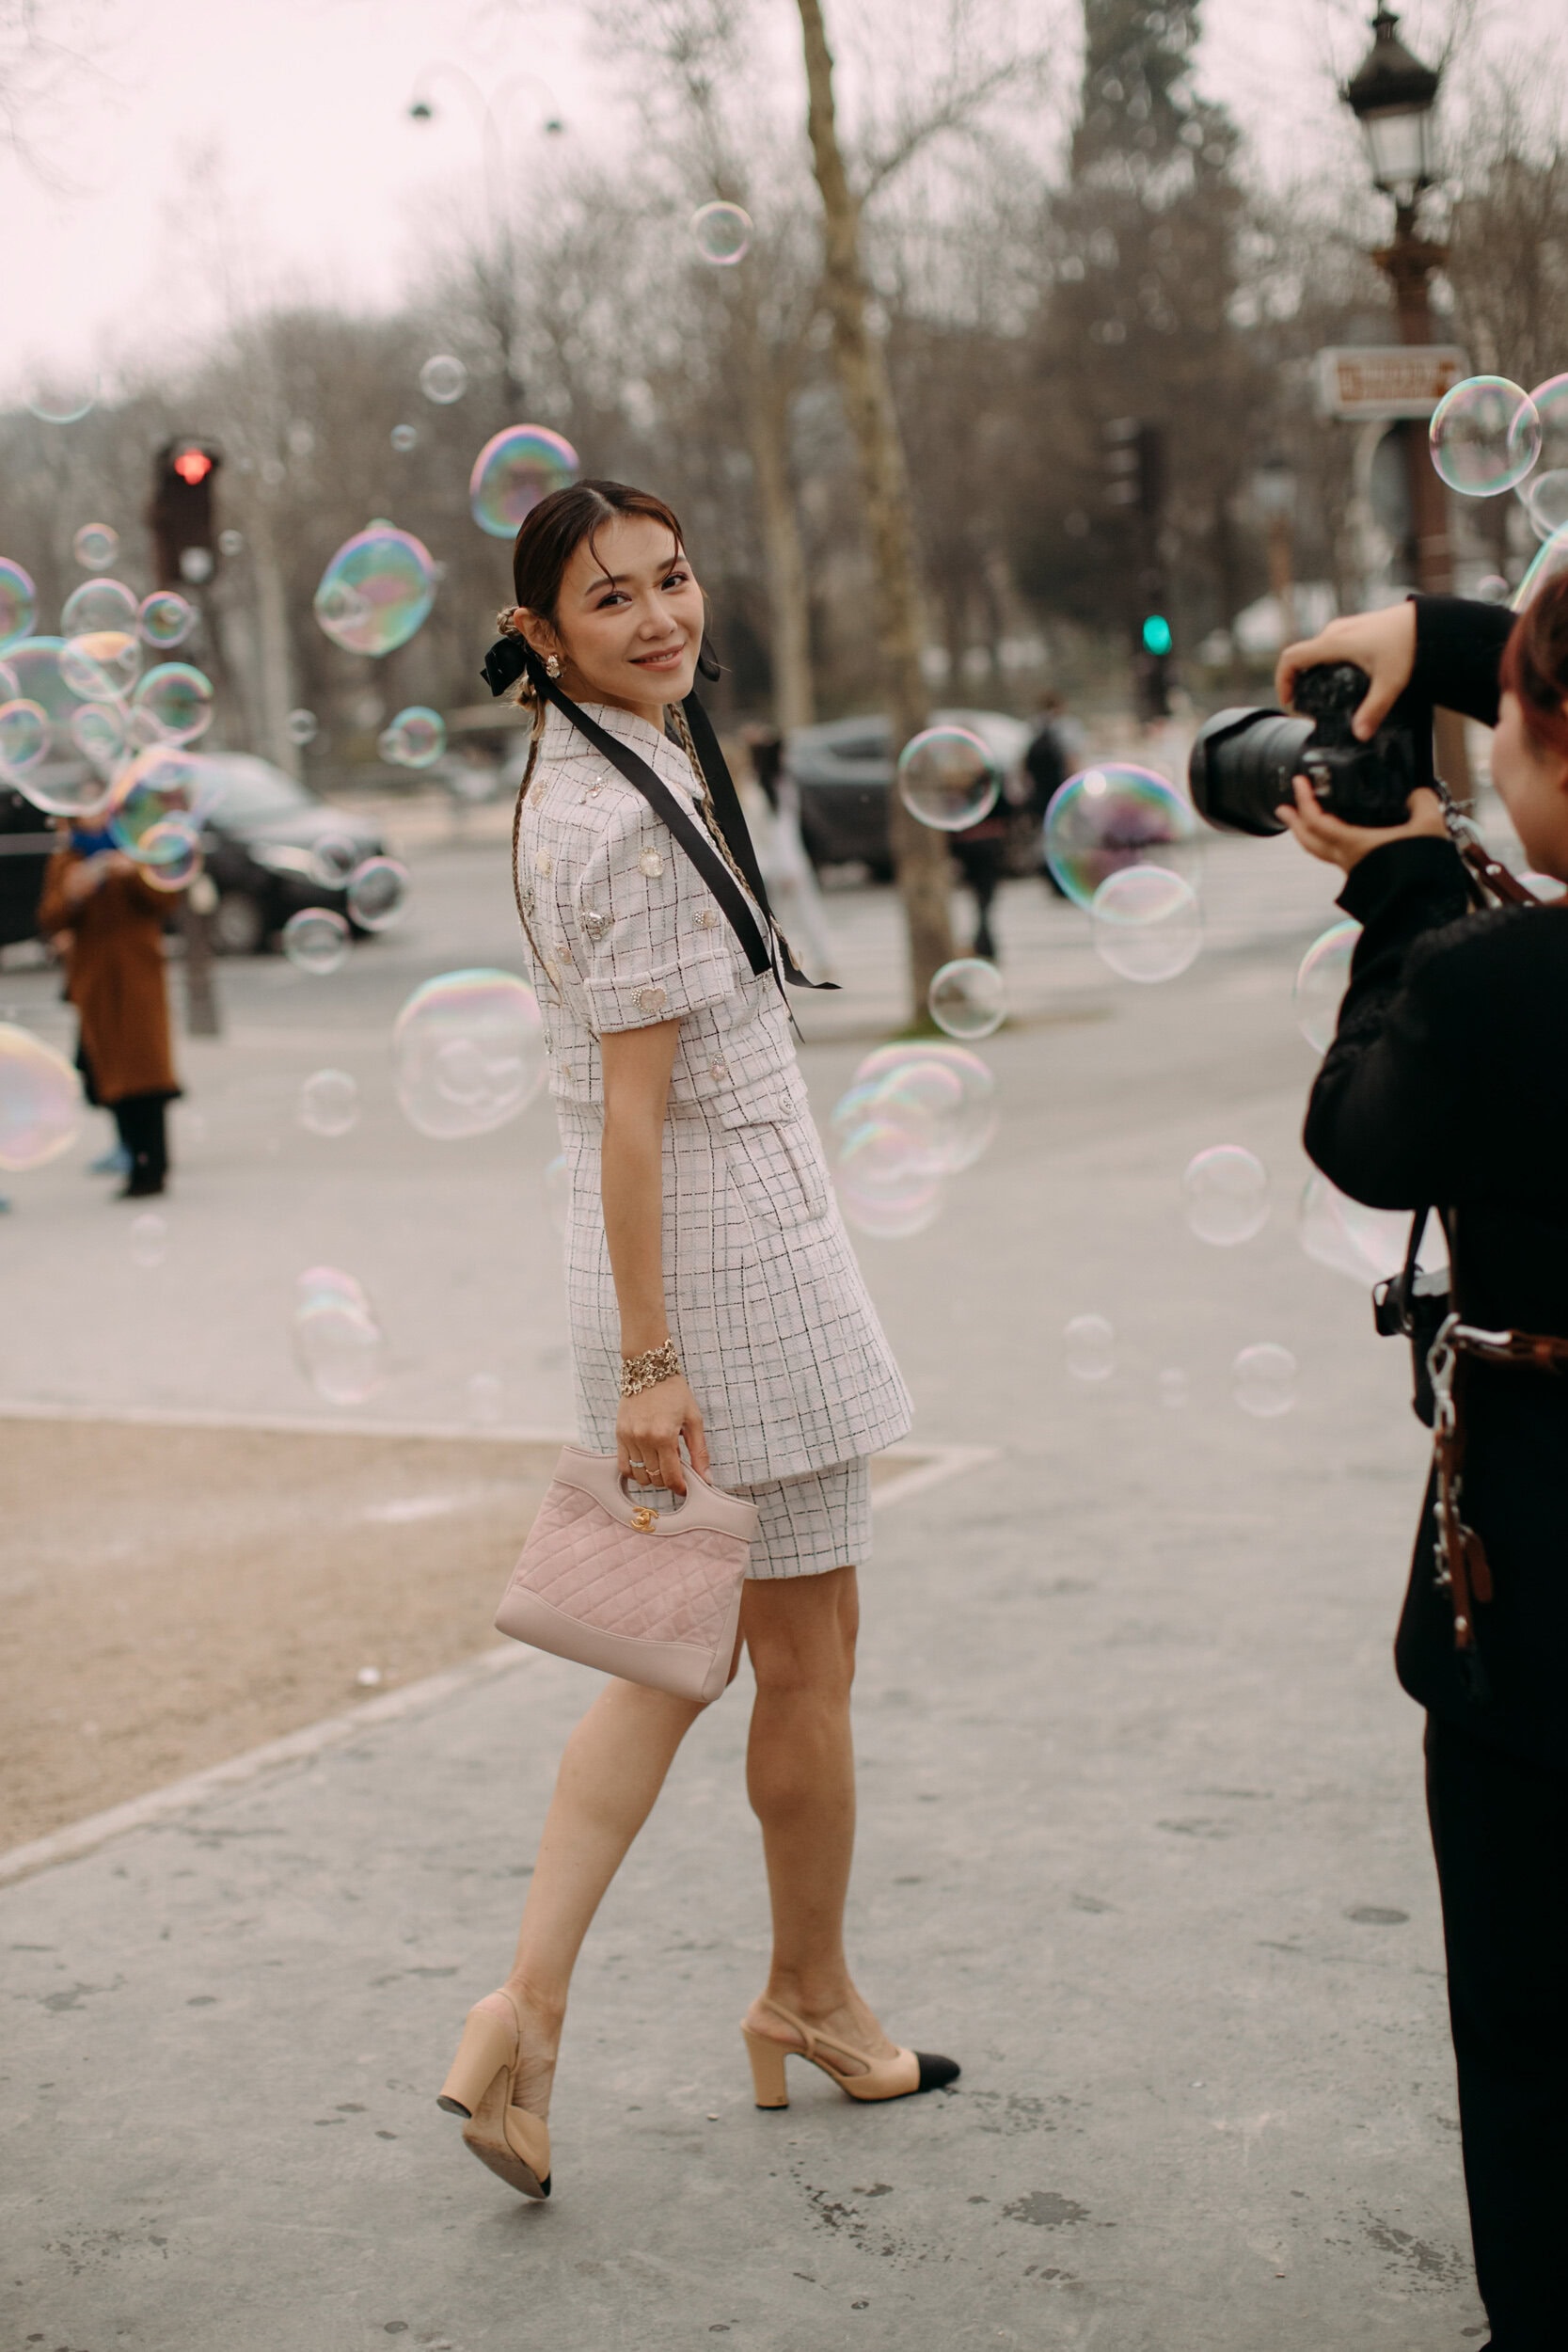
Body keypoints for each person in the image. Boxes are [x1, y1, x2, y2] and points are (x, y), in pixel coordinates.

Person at [437, 480, 958, 2203]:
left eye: (670, 580)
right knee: (795, 1664)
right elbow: (641, 1118)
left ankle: (523, 2011)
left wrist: (638, 1348)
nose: (659, 618)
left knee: (658, 1655)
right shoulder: (623, 819)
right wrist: (660, 1366)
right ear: (541, 636)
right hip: (724, 1275)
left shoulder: (599, 769)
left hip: (670, 1268)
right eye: (611, 601)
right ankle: (804, 1998)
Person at [1275, 580, 1568, 2352]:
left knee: (1534, 2021)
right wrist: (1456, 636)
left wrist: (1396, 892)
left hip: (1536, 1580)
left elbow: (1363, 1141)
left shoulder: (1494, 982)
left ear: (1538, 738)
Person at [38, 820, 182, 1198]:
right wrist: (72, 894)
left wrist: (134, 873)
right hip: (94, 984)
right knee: (109, 1073)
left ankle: (155, 1165)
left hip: (139, 979)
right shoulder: (67, 860)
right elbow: (50, 917)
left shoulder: (136, 850)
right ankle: (131, 1156)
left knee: (147, 1071)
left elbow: (166, 901)